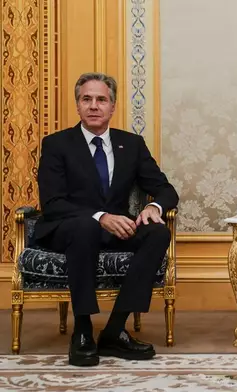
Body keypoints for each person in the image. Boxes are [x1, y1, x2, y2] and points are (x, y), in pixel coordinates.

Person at [35, 72, 179, 367]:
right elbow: (52, 203)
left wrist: (155, 208)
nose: (93, 106)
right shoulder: (56, 145)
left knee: (157, 234)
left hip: (115, 228)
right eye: (86, 99)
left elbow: (165, 189)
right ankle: (84, 329)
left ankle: (115, 329)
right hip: (68, 227)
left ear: (112, 107)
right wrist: (100, 216)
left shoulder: (131, 144)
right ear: (78, 105)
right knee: (86, 225)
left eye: (101, 99)